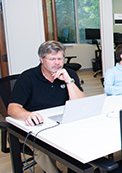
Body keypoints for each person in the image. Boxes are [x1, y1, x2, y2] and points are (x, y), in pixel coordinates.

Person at [7, 41, 85, 173]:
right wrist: (27, 115)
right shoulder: (27, 78)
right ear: (41, 59)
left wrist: (68, 81)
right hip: (38, 125)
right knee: (42, 148)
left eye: (60, 59)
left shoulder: (69, 73)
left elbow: (81, 103)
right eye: (52, 59)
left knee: (83, 136)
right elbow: (12, 108)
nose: (57, 63)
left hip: (63, 121)